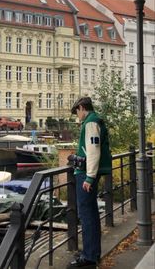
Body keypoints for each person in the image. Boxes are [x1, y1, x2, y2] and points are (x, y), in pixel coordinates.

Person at [67, 97, 112, 269]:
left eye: (76, 112)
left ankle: (89, 257)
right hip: (88, 172)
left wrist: (89, 177)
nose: (77, 116)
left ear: (81, 107)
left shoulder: (91, 123)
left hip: (85, 174)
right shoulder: (95, 120)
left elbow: (93, 151)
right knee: (90, 214)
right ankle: (92, 252)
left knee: (87, 215)